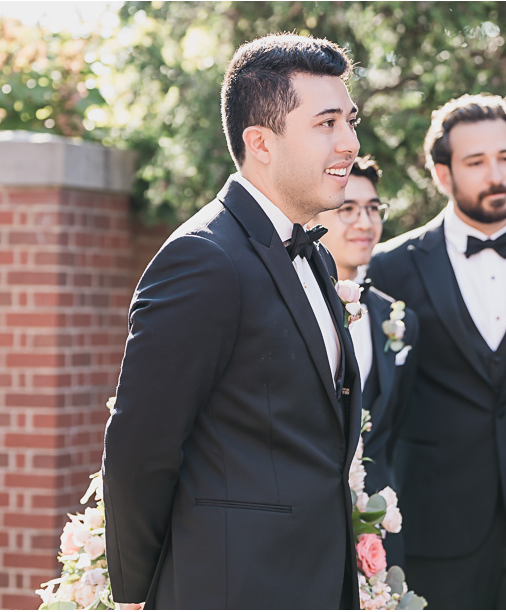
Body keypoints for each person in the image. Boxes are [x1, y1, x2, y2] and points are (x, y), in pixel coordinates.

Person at [102, 34, 363, 609]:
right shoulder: (203, 258)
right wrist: (134, 595)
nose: (350, 143)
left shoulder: (313, 253)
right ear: (260, 142)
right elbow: (141, 446)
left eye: (350, 120)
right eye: (326, 124)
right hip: (231, 588)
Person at [369, 93, 506, 609]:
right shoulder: (392, 268)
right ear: (442, 174)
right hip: (439, 524)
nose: (496, 174)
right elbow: (388, 404)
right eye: (476, 162)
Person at [309, 156, 419, 566]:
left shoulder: (400, 320)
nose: (365, 221)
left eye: (373, 208)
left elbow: (395, 425)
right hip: (305, 522)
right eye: (348, 208)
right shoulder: (292, 305)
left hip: (376, 530)